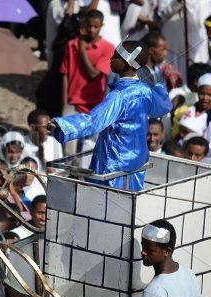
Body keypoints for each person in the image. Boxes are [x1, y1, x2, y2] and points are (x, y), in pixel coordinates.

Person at [51, 40, 171, 191]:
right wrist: (160, 88)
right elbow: (163, 105)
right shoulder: (145, 90)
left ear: (128, 64)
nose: (111, 59)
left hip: (114, 166)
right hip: (137, 162)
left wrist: (61, 126)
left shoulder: (119, 96)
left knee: (107, 207)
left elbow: (94, 122)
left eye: (116, 57)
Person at [60, 9, 115, 155]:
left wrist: (83, 50)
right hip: (72, 102)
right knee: (68, 148)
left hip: (95, 104)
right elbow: (64, 74)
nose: (92, 30)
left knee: (90, 147)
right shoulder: (72, 45)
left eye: (96, 27)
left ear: (101, 26)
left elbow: (93, 74)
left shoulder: (108, 48)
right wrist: (65, 102)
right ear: (84, 25)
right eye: (89, 26)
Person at [141, 219, 201, 297]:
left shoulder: (154, 293)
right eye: (143, 247)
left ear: (166, 251)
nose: (143, 252)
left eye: (149, 249)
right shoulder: (188, 273)